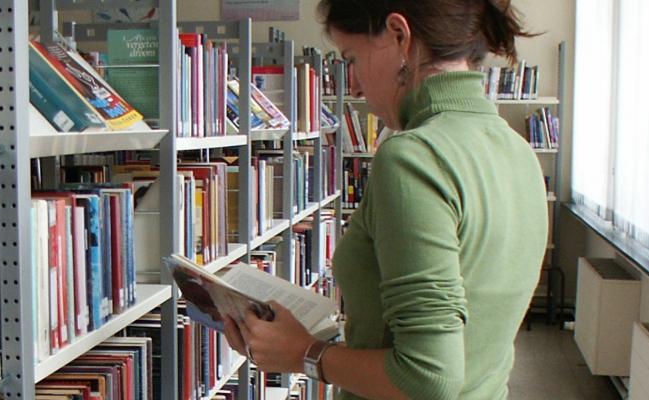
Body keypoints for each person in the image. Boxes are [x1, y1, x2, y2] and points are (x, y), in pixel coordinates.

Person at [221, 1, 548, 399]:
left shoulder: (414, 157)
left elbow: (428, 377)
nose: (354, 85)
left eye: (352, 59)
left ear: (399, 36)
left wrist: (303, 354)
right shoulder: (516, 150)